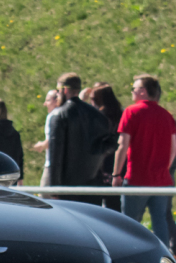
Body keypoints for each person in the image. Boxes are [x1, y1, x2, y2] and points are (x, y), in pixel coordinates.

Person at [111, 75, 176, 248]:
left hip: (137, 179)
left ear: (143, 91)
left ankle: (129, 256)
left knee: (130, 224)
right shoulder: (166, 115)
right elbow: (174, 149)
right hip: (162, 181)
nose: (132, 92)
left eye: (134, 89)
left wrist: (116, 174)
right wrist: (164, 168)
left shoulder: (131, 112)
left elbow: (122, 145)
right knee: (160, 222)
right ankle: (162, 259)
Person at [47, 72, 117, 203]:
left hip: (67, 186)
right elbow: (111, 144)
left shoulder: (59, 115)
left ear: (65, 90)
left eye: (58, 90)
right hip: (92, 183)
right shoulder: (98, 116)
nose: (57, 94)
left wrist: (54, 188)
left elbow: (55, 155)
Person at [90, 83, 124, 210]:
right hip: (118, 163)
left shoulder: (99, 117)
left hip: (102, 164)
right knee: (115, 205)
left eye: (93, 99)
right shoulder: (121, 114)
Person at [32, 89, 62, 186]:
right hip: (64, 165)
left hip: (52, 163)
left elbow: (53, 139)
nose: (45, 104)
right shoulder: (63, 114)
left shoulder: (53, 116)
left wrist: (41, 145)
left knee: (44, 194)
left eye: (48, 100)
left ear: (56, 101)